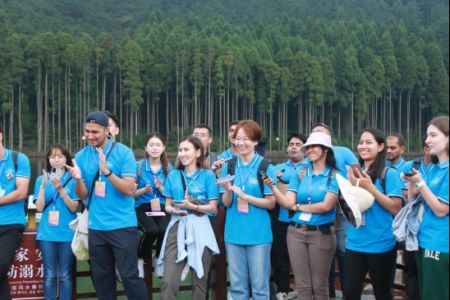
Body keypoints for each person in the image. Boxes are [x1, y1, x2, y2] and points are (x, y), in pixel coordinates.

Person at [66, 111, 147, 300]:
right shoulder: (81, 155)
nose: (90, 136)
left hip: (123, 227)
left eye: (95, 131)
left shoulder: (124, 152)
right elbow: (83, 194)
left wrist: (107, 172)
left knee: (129, 277)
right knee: (102, 280)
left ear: (107, 130)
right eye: (87, 131)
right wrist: (77, 179)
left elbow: (128, 189)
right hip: (96, 228)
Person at [265, 132, 339, 300]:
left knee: (320, 285)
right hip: (296, 232)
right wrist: (274, 188)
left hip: (321, 233)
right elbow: (286, 203)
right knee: (302, 285)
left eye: (314, 146)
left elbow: (326, 206)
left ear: (325, 150)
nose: (310, 150)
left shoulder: (334, 175)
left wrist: (299, 206)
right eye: (309, 147)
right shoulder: (300, 173)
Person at [219, 120, 277, 300]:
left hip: (258, 235)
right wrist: (228, 191)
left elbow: (271, 203)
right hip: (234, 234)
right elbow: (226, 203)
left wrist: (245, 197)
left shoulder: (266, 167)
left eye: (246, 139)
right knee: (237, 288)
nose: (241, 143)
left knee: (260, 288)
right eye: (238, 139)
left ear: (255, 141)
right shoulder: (228, 166)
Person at [156, 136, 219, 300]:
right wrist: (174, 210)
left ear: (198, 152)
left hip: (200, 227)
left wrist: (193, 207)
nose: (182, 154)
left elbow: (213, 207)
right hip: (177, 225)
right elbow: (167, 205)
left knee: (200, 281)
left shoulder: (208, 176)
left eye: (186, 150)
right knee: (169, 280)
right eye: (180, 150)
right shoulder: (174, 175)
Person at [343, 129, 403, 300]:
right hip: (354, 242)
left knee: (382, 294)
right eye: (361, 142)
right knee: (349, 292)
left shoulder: (388, 173)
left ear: (380, 146)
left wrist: (370, 188)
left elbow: (395, 208)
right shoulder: (355, 172)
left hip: (380, 244)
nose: (363, 146)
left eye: (368, 142)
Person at [402, 116, 449, 300]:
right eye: (427, 135)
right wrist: (412, 182)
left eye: (433, 135)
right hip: (423, 240)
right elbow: (414, 200)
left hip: (440, 243)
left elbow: (441, 210)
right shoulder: (434, 168)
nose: (427, 140)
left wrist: (420, 182)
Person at [312, 123, 358, 296]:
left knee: (341, 248)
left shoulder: (344, 151)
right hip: (321, 206)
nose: (317, 136)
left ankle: (348, 292)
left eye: (321, 133)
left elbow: (357, 173)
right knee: (324, 249)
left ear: (329, 137)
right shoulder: (311, 154)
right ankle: (329, 291)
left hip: (343, 204)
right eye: (314, 133)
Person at [34, 145, 79, 300]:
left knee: (65, 275)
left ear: (66, 158)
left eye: (60, 156)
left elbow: (74, 207)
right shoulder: (41, 179)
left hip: (67, 233)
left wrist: (60, 189)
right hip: (47, 233)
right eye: (52, 157)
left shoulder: (73, 178)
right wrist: (42, 186)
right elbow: (39, 207)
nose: (56, 159)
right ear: (48, 160)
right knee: (50, 275)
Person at [271, 133, 307, 300]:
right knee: (280, 255)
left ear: (306, 149)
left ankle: (306, 292)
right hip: (281, 218)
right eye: (291, 144)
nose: (293, 146)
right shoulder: (277, 168)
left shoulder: (310, 167)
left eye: (298, 144)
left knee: (305, 258)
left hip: (303, 219)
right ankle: (282, 291)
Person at [134, 133, 173, 277]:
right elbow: (129, 193)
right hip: (141, 206)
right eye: (151, 145)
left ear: (163, 148)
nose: (155, 148)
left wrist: (161, 188)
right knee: (151, 230)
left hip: (162, 206)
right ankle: (140, 258)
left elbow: (174, 195)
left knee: (163, 229)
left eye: (158, 145)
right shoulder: (137, 167)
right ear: (145, 148)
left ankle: (158, 259)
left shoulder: (169, 169)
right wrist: (143, 190)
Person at [0, 126, 31, 300]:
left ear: (0, 135)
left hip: (11, 224)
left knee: (1, 263)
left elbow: (21, 193)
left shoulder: (18, 159)